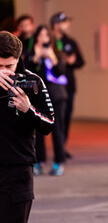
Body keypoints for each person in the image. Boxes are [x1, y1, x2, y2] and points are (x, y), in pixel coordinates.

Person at [0, 31, 54, 223]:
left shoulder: (33, 81)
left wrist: (28, 109)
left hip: (18, 170)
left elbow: (49, 124)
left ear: (18, 59)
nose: (5, 71)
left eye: (9, 66)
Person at [25, 25, 67, 176]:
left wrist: (53, 58)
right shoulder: (31, 53)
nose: (43, 38)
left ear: (51, 38)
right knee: (38, 129)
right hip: (38, 96)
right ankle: (39, 161)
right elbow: (27, 72)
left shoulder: (56, 53)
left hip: (56, 96)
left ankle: (59, 162)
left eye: (46, 36)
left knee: (57, 130)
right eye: (40, 35)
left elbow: (61, 71)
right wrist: (35, 58)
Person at [51, 12, 85, 158]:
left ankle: (61, 146)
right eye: (64, 22)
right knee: (56, 118)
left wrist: (72, 62)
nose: (68, 25)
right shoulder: (49, 42)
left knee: (66, 117)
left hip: (69, 86)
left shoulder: (71, 42)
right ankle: (57, 149)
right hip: (53, 86)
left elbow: (81, 61)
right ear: (56, 25)